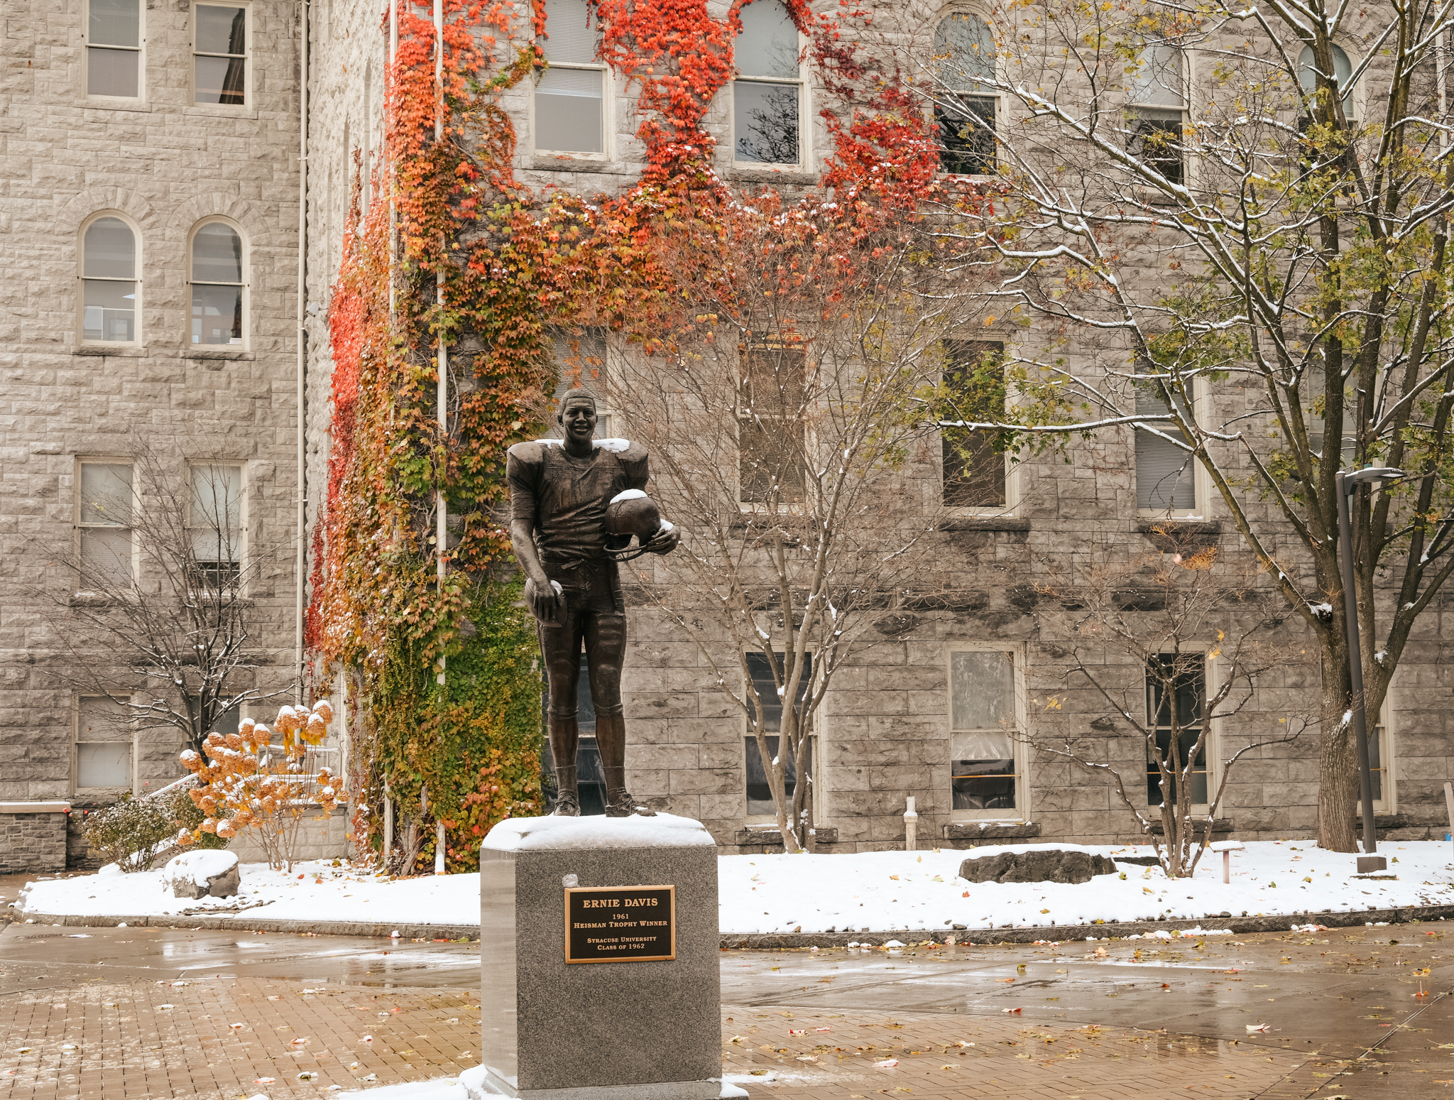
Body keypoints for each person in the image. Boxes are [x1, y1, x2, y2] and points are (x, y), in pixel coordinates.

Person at [507, 389, 680, 817]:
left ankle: (617, 795)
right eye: (574, 412)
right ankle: (567, 797)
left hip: (604, 590)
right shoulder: (535, 463)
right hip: (558, 591)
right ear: (560, 418)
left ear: (596, 417)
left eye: (588, 412)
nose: (582, 418)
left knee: (608, 691)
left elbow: (641, 517)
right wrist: (539, 579)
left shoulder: (621, 464)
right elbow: (519, 529)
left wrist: (662, 536)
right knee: (561, 692)